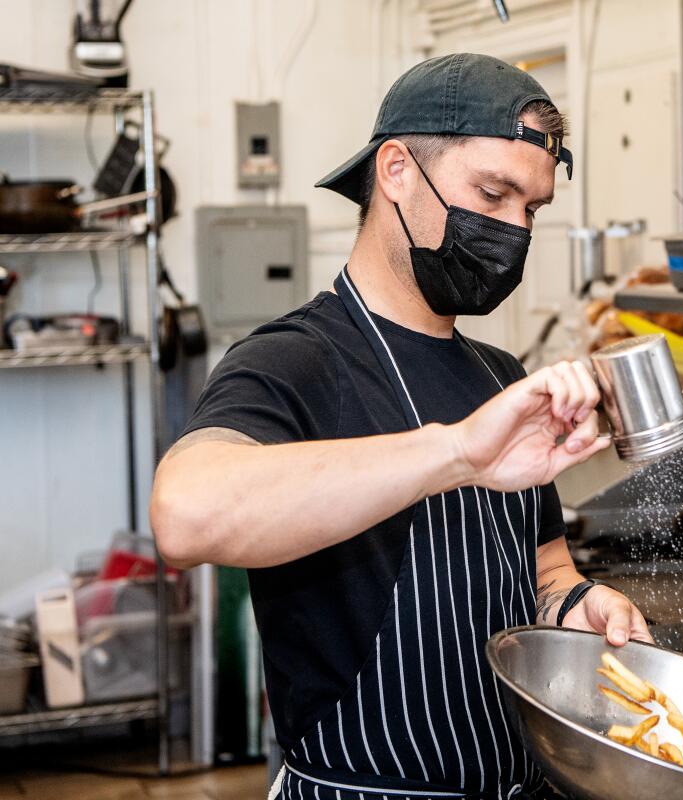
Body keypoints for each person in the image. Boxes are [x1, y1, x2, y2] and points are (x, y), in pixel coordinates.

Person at [150, 53, 653, 800]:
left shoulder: (500, 376)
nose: (514, 230)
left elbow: (544, 570)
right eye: (493, 193)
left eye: (533, 209)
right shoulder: (293, 361)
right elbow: (184, 516)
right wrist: (454, 452)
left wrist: (575, 603)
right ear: (395, 170)